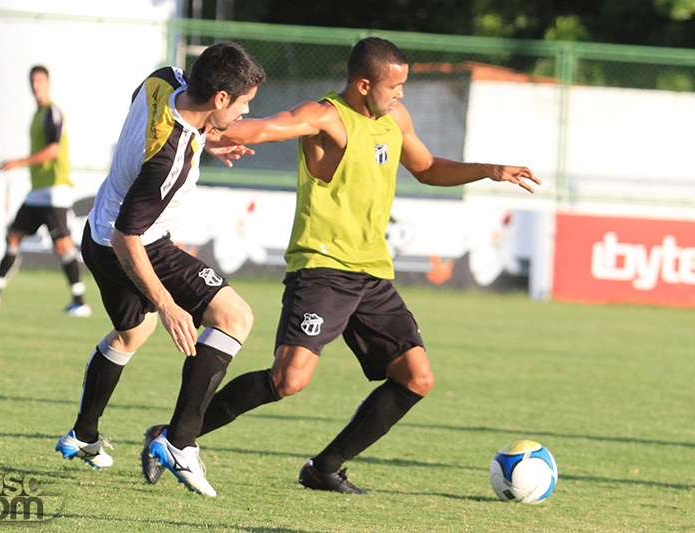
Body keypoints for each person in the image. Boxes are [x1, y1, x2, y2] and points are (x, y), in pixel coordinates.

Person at [176, 36, 541, 494]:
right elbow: (266, 127)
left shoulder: (395, 119)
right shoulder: (325, 116)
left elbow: (427, 167)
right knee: (288, 380)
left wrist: (489, 169)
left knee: (417, 378)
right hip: (322, 270)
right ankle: (177, 437)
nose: (401, 95)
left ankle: (324, 467)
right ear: (364, 84)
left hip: (372, 274)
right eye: (394, 86)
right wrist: (208, 130)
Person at [54, 42, 265, 498]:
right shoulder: (169, 160)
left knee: (132, 334)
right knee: (235, 317)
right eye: (245, 102)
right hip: (133, 243)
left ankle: (83, 436)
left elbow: (157, 112)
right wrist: (169, 304)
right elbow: (128, 237)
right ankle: (180, 441)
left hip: (97, 229)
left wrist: (206, 140)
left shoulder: (164, 79)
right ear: (221, 99)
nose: (248, 111)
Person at [0, 65, 91, 317]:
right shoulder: (38, 113)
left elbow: (54, 149)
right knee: (13, 236)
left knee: (64, 247)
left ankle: (80, 302)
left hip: (54, 192)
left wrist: (18, 162)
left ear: (48, 83)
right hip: (38, 192)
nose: (36, 85)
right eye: (33, 81)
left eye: (40, 80)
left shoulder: (52, 112)